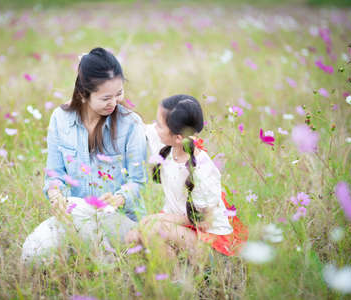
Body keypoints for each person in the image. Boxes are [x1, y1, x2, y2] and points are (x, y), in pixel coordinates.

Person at [21, 47, 147, 264]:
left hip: (119, 222)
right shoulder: (60, 119)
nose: (114, 103)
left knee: (82, 209)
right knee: (32, 254)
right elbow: (55, 174)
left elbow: (137, 181)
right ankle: (88, 253)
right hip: (75, 216)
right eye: (106, 97)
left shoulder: (131, 123)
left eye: (119, 94)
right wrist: (56, 196)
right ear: (83, 94)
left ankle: (107, 266)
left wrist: (120, 197)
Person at [125, 94, 248, 260]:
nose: (155, 128)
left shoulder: (202, 171)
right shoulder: (168, 146)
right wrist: (115, 97)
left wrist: (163, 218)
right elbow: (139, 125)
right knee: (132, 237)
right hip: (183, 231)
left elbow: (205, 222)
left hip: (209, 242)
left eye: (159, 125)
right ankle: (164, 277)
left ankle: (177, 282)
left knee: (155, 228)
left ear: (178, 137)